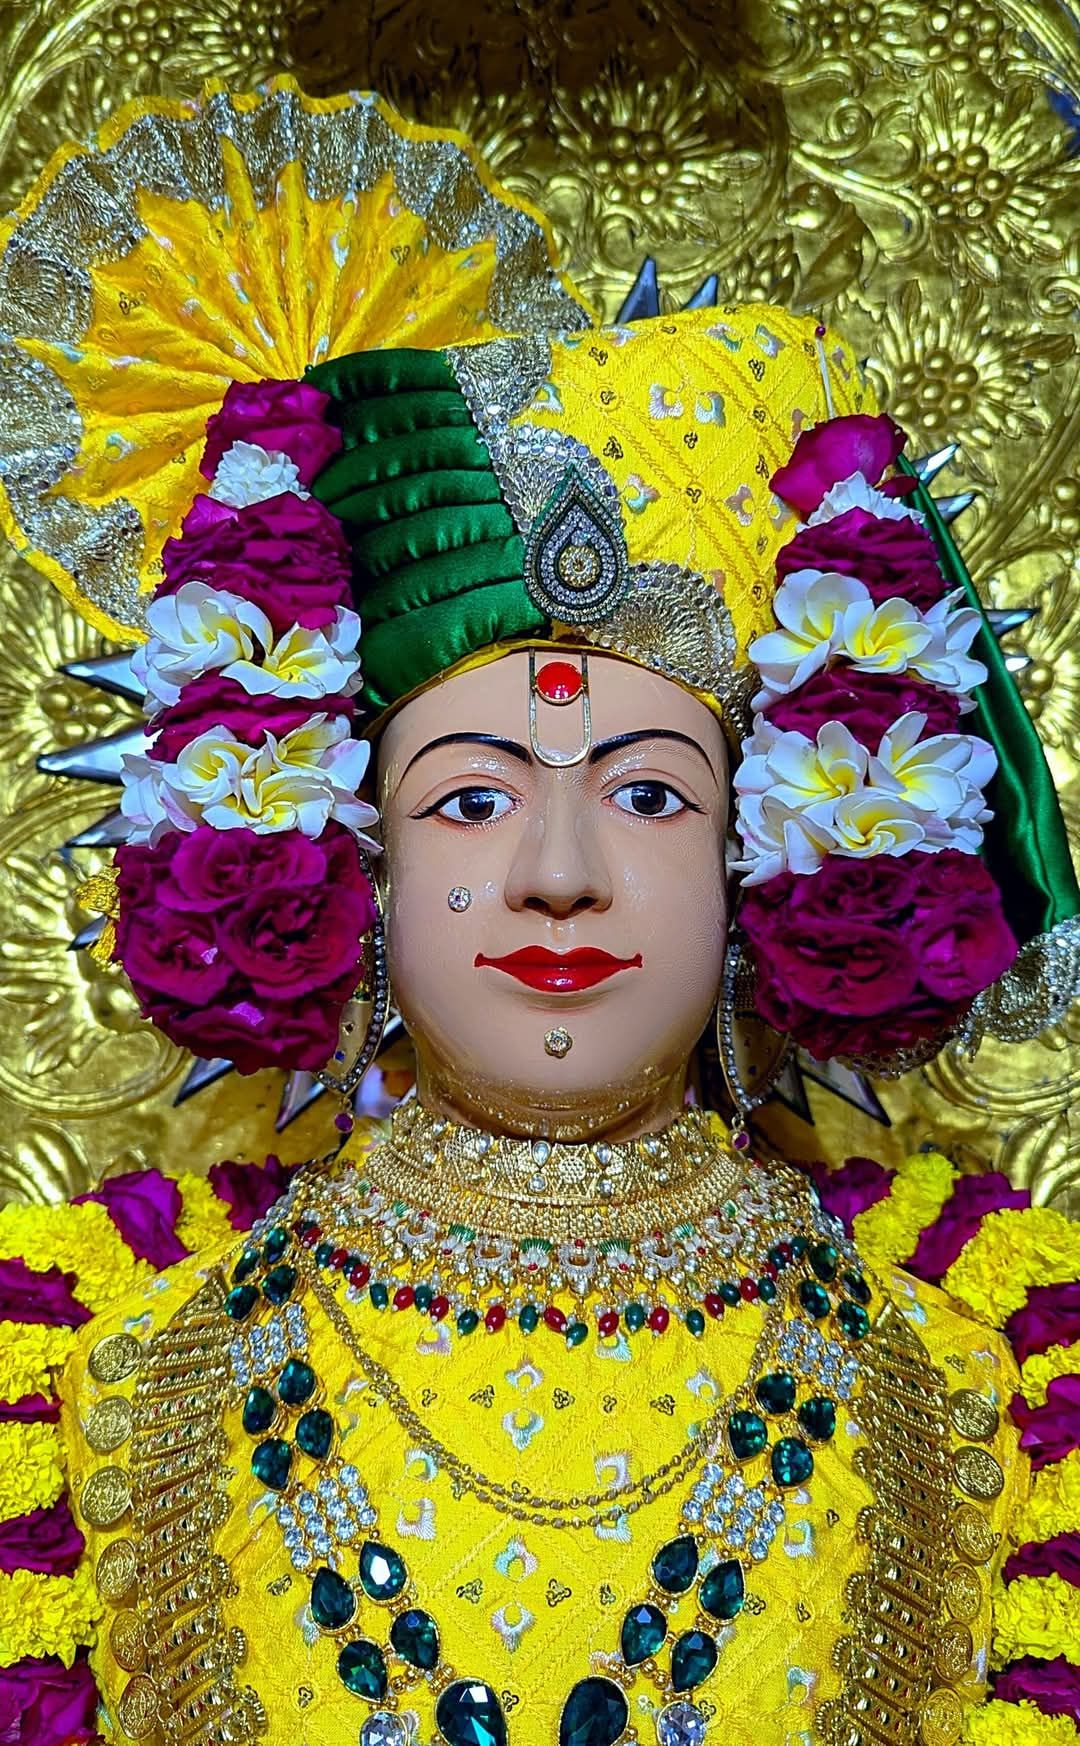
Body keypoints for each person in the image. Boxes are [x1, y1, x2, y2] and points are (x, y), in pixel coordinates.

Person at [1, 79, 1079, 1746]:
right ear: (336, 858)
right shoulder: (124, 1375)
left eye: (650, 792)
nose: (557, 871)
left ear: (770, 857)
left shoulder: (962, 1386)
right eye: (472, 796)